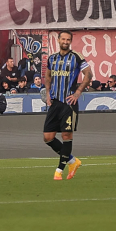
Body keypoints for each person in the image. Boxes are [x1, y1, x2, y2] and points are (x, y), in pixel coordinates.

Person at [43, 30, 91, 181]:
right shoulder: (52, 58)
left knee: (66, 135)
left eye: (68, 39)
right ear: (58, 40)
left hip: (69, 102)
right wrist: (48, 94)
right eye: (63, 38)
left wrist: (77, 92)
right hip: (55, 102)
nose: (65, 41)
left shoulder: (77, 57)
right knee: (48, 137)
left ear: (70, 41)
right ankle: (72, 161)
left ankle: (59, 171)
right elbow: (47, 76)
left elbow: (88, 74)